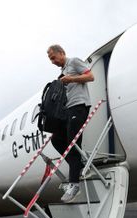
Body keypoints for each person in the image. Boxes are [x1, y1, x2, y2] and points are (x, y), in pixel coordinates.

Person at [47, 44, 94, 202]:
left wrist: (71, 79)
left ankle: (75, 185)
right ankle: (77, 164)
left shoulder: (74, 62)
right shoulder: (62, 72)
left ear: (61, 53)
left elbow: (90, 76)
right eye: (50, 59)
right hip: (67, 110)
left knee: (73, 144)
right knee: (56, 139)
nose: (52, 61)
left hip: (79, 107)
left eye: (53, 57)